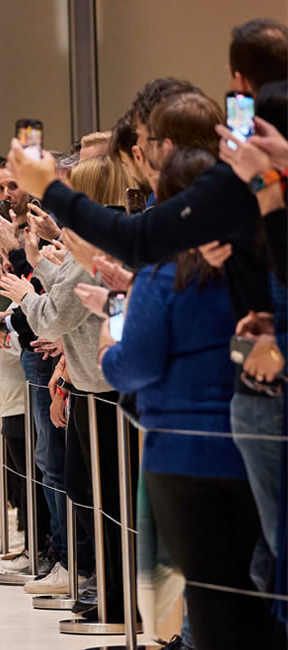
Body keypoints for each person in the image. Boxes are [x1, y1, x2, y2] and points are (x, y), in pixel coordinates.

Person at [100, 148, 284, 648]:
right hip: (255, 444)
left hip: (181, 457)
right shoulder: (264, 265)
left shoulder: (163, 276)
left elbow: (132, 366)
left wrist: (107, 337)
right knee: (256, 588)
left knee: (209, 599)